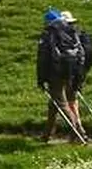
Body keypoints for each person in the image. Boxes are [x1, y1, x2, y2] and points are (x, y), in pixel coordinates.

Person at [37, 8, 87, 142]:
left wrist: (41, 79)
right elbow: (80, 52)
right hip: (71, 71)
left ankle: (78, 132)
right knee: (54, 103)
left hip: (56, 73)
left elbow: (42, 59)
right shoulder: (71, 31)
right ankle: (46, 135)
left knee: (61, 103)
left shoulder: (49, 34)